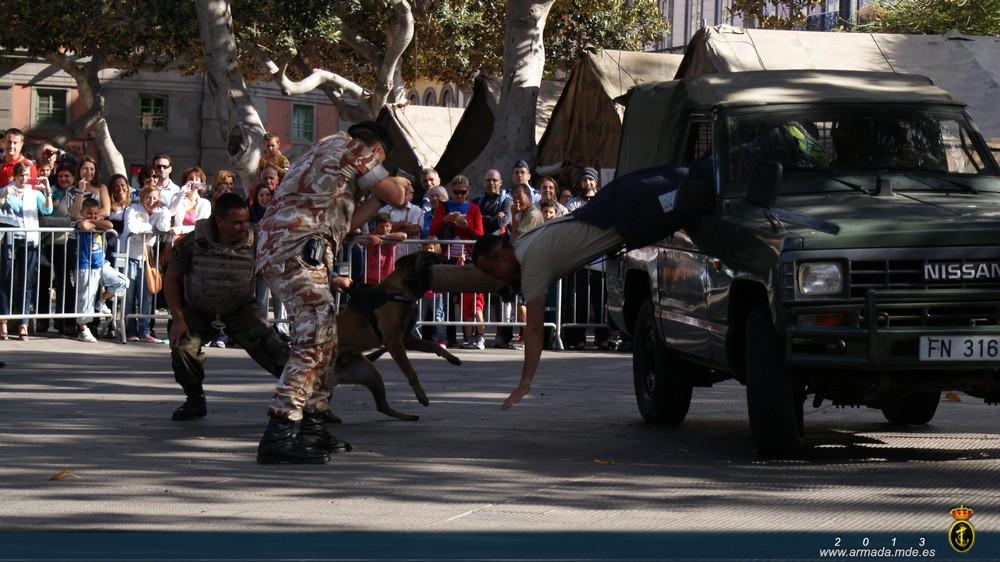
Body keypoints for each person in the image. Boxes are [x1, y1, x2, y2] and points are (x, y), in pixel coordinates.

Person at [470, 163, 712, 409]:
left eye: (491, 271)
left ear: (502, 256)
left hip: (629, 209)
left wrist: (525, 382)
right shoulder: (524, 243)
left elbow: (533, 329)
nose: (495, 278)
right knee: (692, 180)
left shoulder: (530, 263)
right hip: (619, 200)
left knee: (695, 193)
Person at [254, 120, 408, 464]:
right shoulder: (354, 148)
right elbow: (397, 195)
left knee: (327, 339)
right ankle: (280, 429)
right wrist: (398, 185)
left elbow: (348, 224)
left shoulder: (318, 154)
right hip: (297, 250)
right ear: (376, 152)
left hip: (288, 248)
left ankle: (312, 424)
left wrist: (378, 199)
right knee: (313, 340)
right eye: (379, 162)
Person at [165, 193, 290, 421]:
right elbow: (171, 277)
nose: (244, 227)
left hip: (241, 310)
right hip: (199, 310)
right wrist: (178, 317)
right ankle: (194, 400)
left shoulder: (257, 242)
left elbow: (283, 269)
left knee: (279, 353)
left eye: (245, 221)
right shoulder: (195, 242)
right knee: (182, 349)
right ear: (219, 221)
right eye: (237, 222)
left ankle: (309, 404)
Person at [431, 175, 486, 350]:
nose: (460, 196)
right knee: (446, 299)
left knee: (470, 299)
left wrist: (464, 227)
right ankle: (447, 336)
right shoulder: (443, 207)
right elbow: (432, 230)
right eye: (456, 192)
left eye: (463, 192)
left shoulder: (474, 209)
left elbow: (479, 234)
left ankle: (473, 336)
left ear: (468, 191)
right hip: (447, 256)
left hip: (467, 257)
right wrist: (445, 220)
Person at [0, 163, 53, 340]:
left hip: (30, 240)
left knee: (26, 281)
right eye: (20, 175)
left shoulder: (34, 193)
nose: (23, 179)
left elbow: (47, 209)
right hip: (9, 240)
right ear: (14, 176)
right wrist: (3, 197)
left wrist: (47, 191)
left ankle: (23, 322)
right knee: (6, 278)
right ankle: (4, 321)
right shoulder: (7, 190)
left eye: (26, 175)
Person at [121, 185, 172, 343]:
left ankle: (145, 331)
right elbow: (132, 228)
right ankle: (129, 330)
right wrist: (151, 228)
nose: (151, 201)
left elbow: (163, 227)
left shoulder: (160, 211)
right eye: (148, 198)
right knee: (129, 296)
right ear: (142, 198)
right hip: (130, 254)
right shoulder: (132, 209)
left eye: (155, 198)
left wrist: (164, 210)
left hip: (147, 256)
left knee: (146, 296)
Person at [73, 198, 122, 342]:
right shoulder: (79, 222)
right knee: (84, 298)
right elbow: (83, 225)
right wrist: (94, 223)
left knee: (121, 281)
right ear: (82, 212)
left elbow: (109, 224)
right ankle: (83, 329)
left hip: (101, 264)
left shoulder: (97, 222)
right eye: (89, 213)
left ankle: (100, 301)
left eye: (95, 213)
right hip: (85, 265)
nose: (93, 216)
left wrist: (94, 222)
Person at [358, 212, 406, 285]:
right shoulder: (372, 236)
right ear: (376, 227)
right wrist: (370, 237)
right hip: (370, 278)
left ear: (391, 227)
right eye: (381, 226)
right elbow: (357, 238)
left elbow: (403, 236)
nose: (384, 229)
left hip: (388, 278)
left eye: (387, 226)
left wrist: (384, 237)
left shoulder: (392, 237)